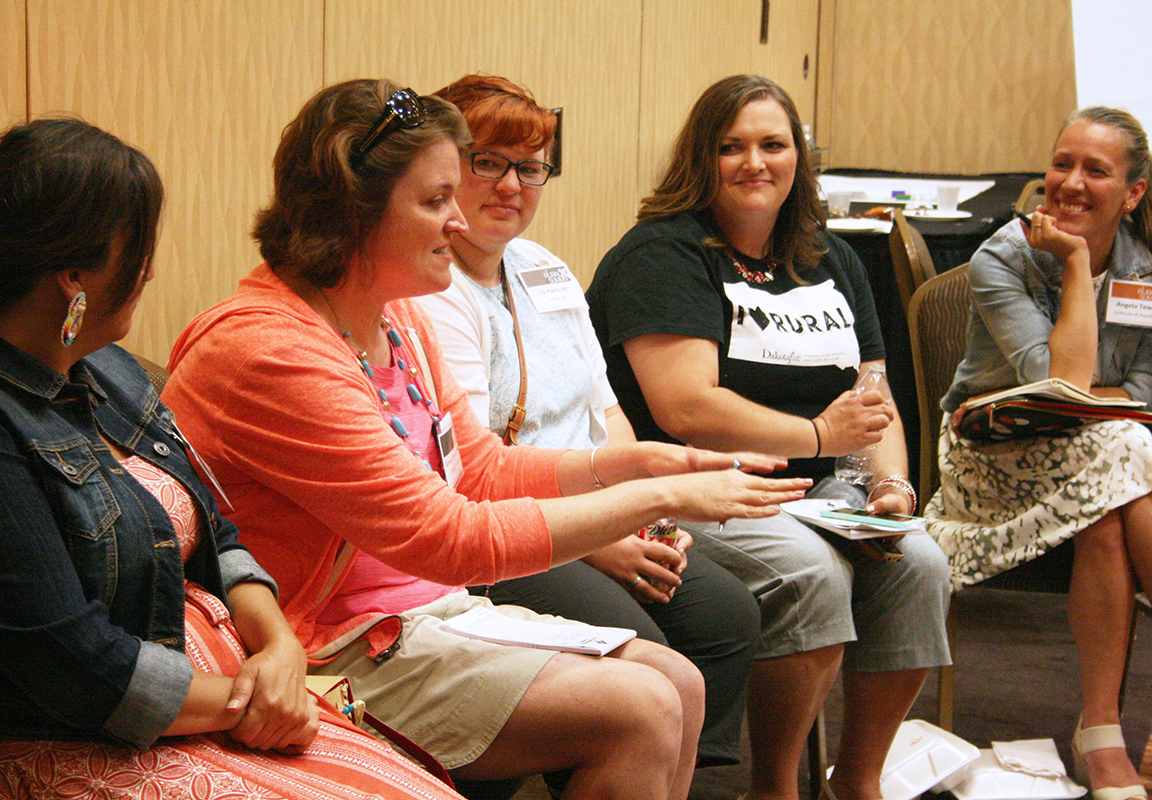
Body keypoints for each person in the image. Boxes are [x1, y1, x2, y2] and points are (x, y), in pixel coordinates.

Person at [162, 78, 812, 800]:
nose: (457, 220)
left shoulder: (395, 317)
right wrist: (659, 496)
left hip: (420, 614)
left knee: (679, 682)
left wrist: (645, 462)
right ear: (353, 212)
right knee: (643, 706)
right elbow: (450, 537)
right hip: (319, 647)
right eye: (435, 200)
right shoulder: (271, 351)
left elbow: (478, 468)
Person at [0, 118, 465, 800]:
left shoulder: (109, 369)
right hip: (82, 740)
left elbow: (216, 529)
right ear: (73, 275)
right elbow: (72, 667)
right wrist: (251, 700)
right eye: (138, 249)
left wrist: (278, 647)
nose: (149, 271)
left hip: (225, 698)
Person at [586, 74, 952, 800]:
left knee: (919, 564)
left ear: (798, 159)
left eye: (773, 145)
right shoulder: (662, 255)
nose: (755, 162)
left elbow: (872, 397)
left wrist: (890, 488)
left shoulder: (830, 257)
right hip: (695, 485)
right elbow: (687, 406)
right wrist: (817, 434)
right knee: (808, 571)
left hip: (818, 490)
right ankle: (776, 787)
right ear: (702, 158)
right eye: (732, 147)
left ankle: (859, 782)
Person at [414, 73, 761, 770]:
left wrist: (640, 516)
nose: (510, 185)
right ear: (444, 168)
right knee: (640, 651)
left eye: (530, 167)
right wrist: (604, 536)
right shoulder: (431, 288)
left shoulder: (545, 270)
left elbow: (607, 412)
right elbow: (471, 473)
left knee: (727, 616)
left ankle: (681, 782)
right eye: (488, 161)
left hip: (600, 511)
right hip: (508, 528)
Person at [927, 106, 1152, 800]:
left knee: (1115, 487)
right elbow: (1058, 383)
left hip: (1110, 456)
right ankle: (1104, 739)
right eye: (1062, 164)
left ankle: (1103, 730)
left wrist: (1092, 402)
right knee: (1129, 454)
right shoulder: (1004, 256)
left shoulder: (1147, 268)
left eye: (1095, 170)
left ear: (1133, 193)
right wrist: (1078, 262)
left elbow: (1145, 390)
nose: (1071, 182)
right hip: (992, 458)